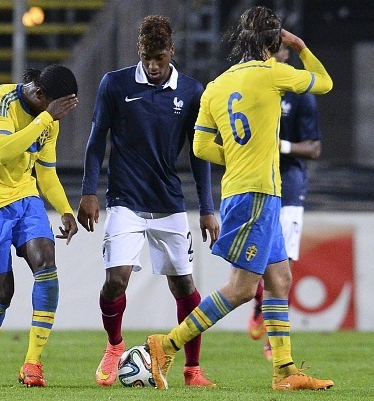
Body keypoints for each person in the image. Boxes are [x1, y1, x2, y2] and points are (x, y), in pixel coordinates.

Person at [145, 6, 334, 391]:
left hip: (246, 190)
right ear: (274, 42)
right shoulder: (273, 73)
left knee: (279, 279)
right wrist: (299, 46)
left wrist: (236, 157)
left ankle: (284, 371)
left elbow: (200, 146)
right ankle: (166, 345)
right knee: (243, 288)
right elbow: (325, 83)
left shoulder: (216, 85)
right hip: (257, 195)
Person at [76, 15, 220, 388]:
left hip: (169, 202)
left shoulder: (191, 91)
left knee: (184, 286)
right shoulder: (115, 84)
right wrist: (88, 191)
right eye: (146, 57)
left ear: (171, 51)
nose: (153, 65)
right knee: (116, 281)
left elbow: (199, 154)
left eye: (159, 57)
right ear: (138, 51)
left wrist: (207, 208)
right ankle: (114, 346)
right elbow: (96, 140)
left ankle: (192, 369)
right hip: (124, 199)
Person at [0, 65, 79, 388]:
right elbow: (3, 151)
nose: (59, 116)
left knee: (46, 265)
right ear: (39, 94)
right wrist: (46, 118)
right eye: (57, 107)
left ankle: (32, 363)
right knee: (1, 293)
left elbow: (46, 172)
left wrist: (65, 210)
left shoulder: (48, 119)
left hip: (24, 198)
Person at [247, 43, 323, 361]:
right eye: (264, 49)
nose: (268, 54)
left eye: (274, 48)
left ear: (286, 54)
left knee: (285, 265)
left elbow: (314, 148)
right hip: (255, 180)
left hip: (289, 183)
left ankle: (273, 338)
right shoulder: (252, 85)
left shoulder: (299, 91)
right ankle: (258, 301)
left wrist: (281, 146)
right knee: (255, 258)